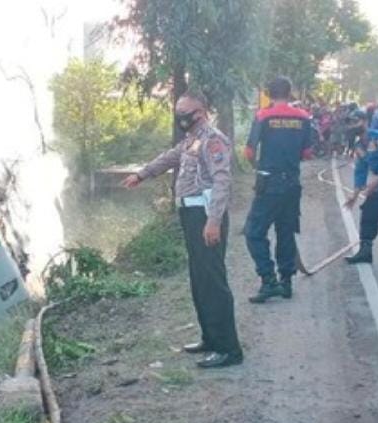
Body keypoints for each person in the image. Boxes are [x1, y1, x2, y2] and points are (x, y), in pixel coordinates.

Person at [122, 91, 244, 369]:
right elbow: (170, 157)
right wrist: (142, 174)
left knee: (213, 282)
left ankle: (229, 349)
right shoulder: (192, 139)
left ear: (200, 113)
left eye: (185, 114)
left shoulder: (213, 140)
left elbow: (222, 181)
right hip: (191, 214)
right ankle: (210, 339)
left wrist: (213, 221)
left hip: (206, 216)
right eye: (178, 113)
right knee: (199, 280)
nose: (180, 119)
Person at [243, 76, 312, 303]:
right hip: (292, 184)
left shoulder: (263, 116)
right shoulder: (303, 117)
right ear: (290, 93)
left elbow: (249, 152)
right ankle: (286, 282)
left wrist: (259, 169)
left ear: (269, 94)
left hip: (269, 183)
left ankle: (268, 280)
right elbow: (307, 153)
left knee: (254, 232)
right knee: (285, 231)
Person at [342, 108, 378, 264]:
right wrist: (354, 196)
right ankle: (365, 252)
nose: (352, 126)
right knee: (368, 212)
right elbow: (360, 170)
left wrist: (375, 183)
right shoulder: (359, 145)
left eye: (355, 122)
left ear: (365, 121)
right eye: (350, 123)